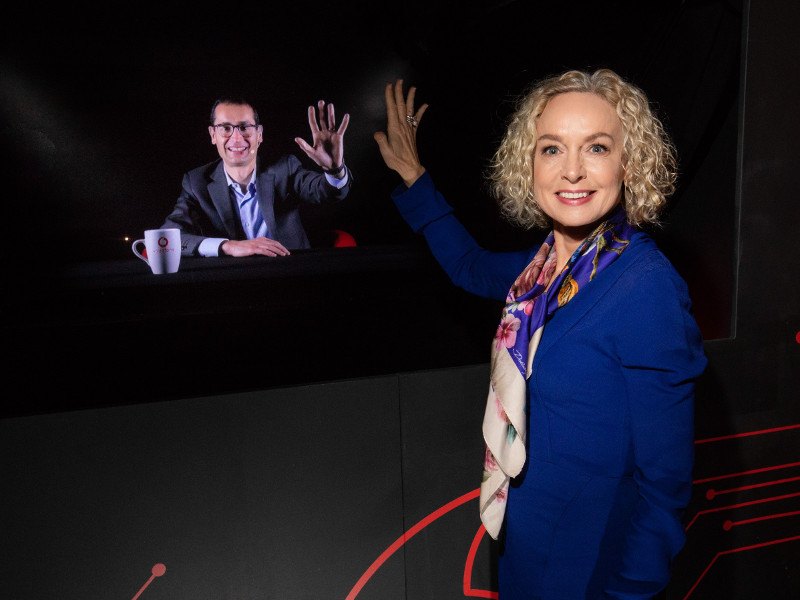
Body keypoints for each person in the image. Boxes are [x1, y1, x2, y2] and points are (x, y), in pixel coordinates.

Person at [374, 71, 707, 599]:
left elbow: (664, 489)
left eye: (596, 147)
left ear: (630, 161)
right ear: (528, 165)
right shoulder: (543, 271)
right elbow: (468, 265)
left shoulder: (648, 289)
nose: (572, 170)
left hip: (590, 568)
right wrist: (415, 178)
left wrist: (629, 593)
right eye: (552, 149)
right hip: (526, 543)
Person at [161, 97, 352, 257]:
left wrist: (334, 170)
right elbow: (169, 237)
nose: (236, 138)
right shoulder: (196, 182)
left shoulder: (284, 168)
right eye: (225, 128)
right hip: (230, 282)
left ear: (259, 134)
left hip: (291, 274)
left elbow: (327, 192)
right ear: (213, 135)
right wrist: (226, 246)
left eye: (245, 128)